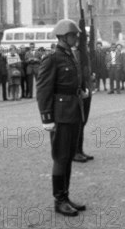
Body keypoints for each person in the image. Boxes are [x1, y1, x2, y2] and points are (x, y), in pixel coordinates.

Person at [37, 19, 89, 217]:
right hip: (60, 115)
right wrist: (47, 118)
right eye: (73, 35)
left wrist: (80, 91)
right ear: (63, 37)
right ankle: (59, 200)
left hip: (73, 111)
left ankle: (65, 196)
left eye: (76, 35)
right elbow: (43, 90)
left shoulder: (71, 55)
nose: (76, 38)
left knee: (68, 157)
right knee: (60, 157)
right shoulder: (52, 58)